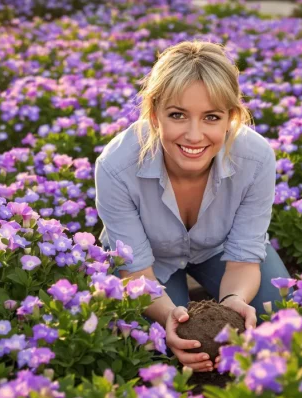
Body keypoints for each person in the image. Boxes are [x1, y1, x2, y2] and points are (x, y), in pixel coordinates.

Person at [94, 40, 290, 373]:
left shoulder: (255, 159)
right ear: (155, 114)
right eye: (177, 115)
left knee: (278, 312)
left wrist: (233, 303)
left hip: (220, 249)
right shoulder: (116, 165)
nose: (195, 135)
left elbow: (243, 258)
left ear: (231, 116)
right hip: (150, 265)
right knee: (154, 346)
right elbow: (136, 271)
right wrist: (170, 315)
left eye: (211, 117)